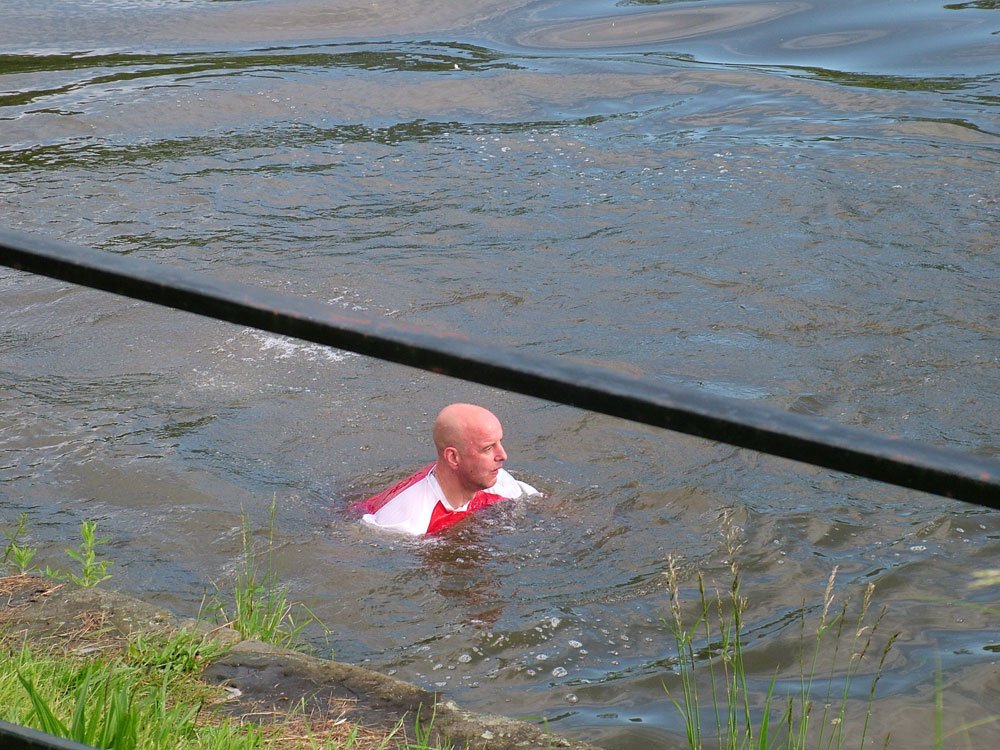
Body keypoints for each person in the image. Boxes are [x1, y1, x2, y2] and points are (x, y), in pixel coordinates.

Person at [358, 403, 540, 535]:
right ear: (453, 457)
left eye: (500, 442)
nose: (503, 455)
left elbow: (547, 505)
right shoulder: (407, 524)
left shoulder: (496, 479)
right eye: (488, 448)